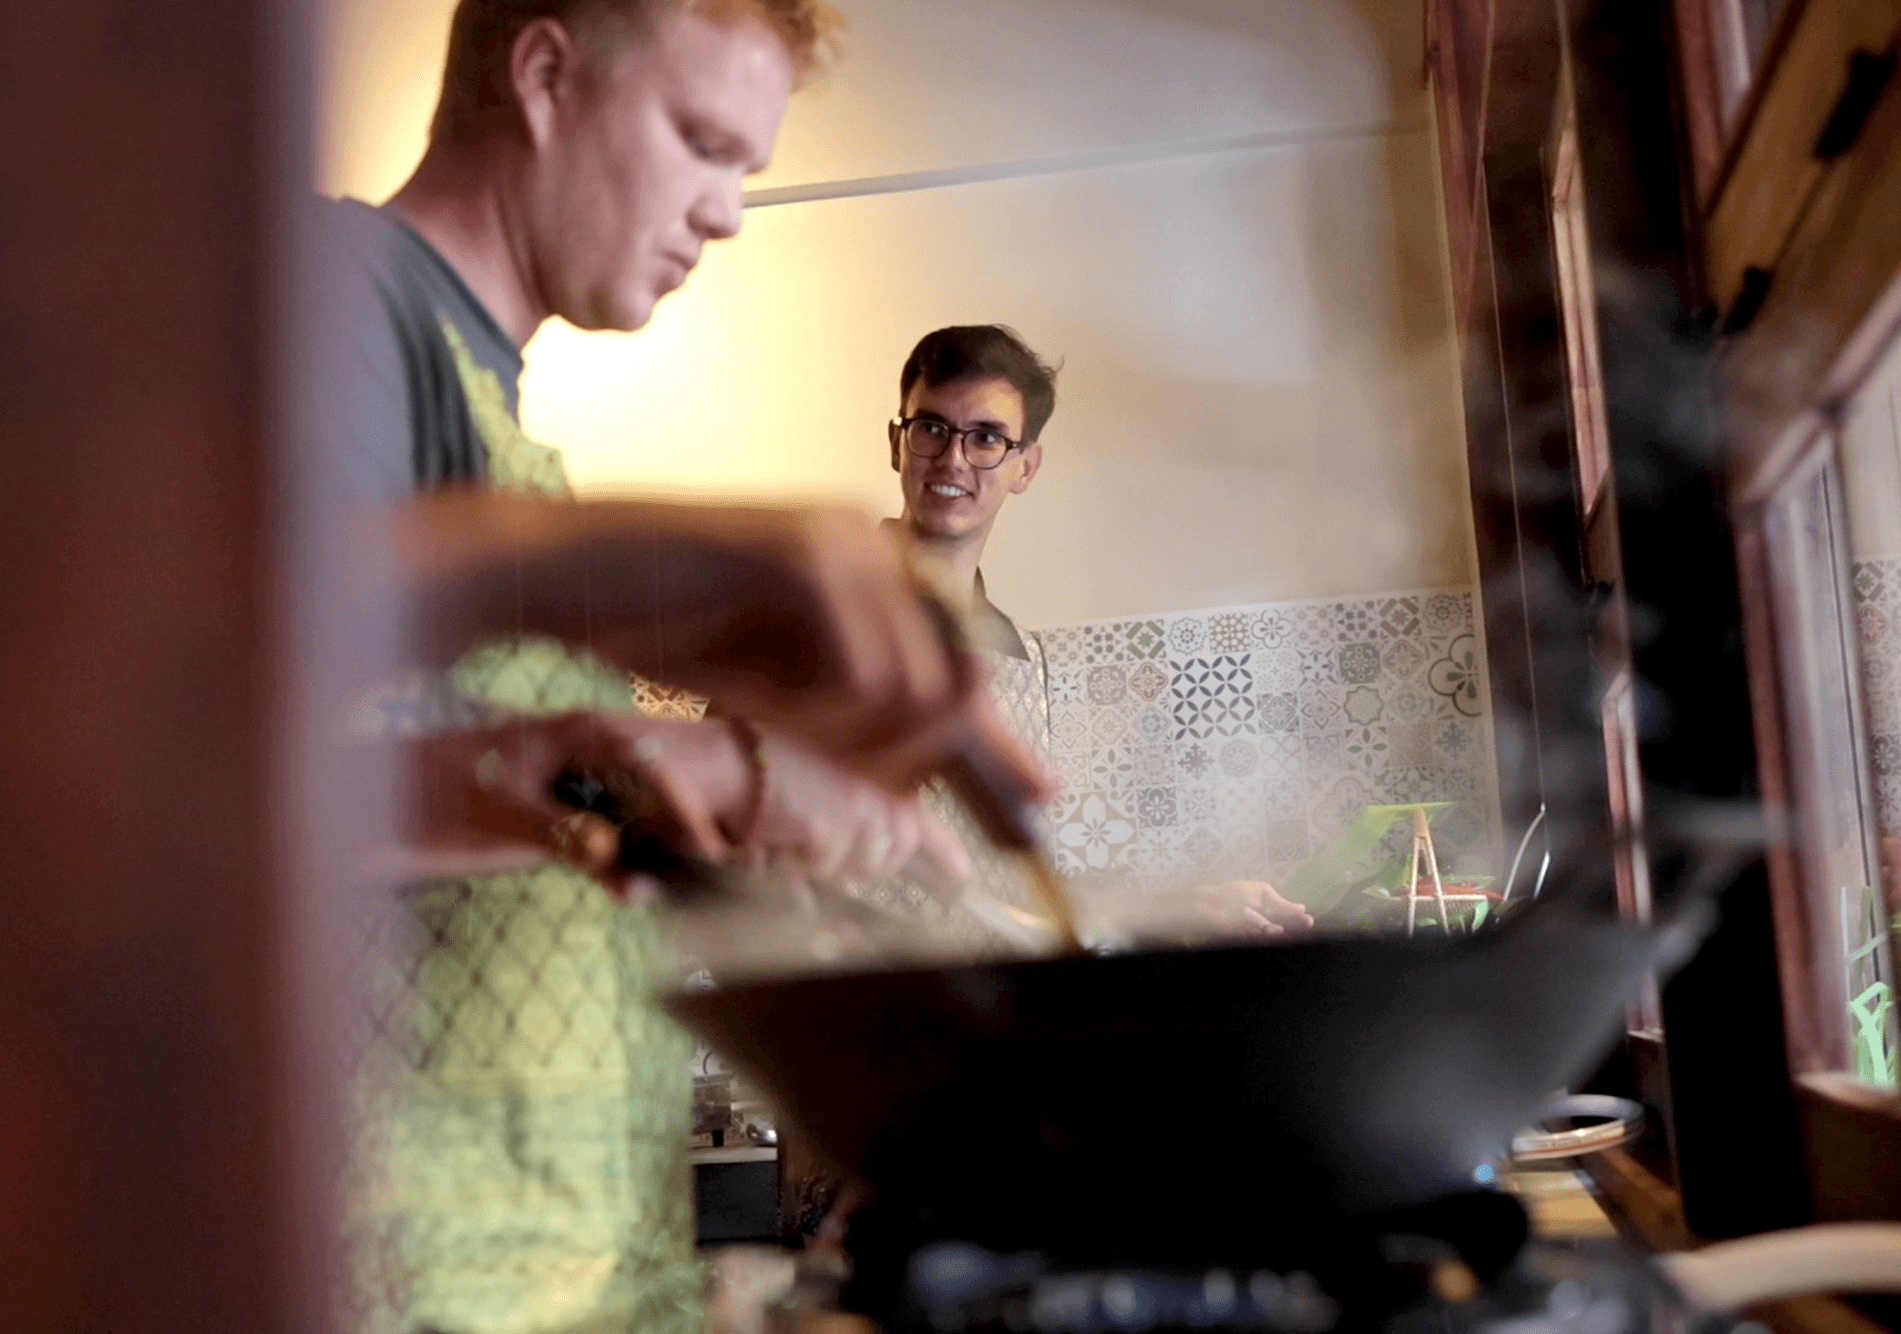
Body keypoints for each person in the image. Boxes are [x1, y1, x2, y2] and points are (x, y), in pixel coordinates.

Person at [311, 7, 1040, 1334]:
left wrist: (748, 839)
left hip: (570, 1274)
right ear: (543, 75)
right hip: (414, 1279)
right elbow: (221, 785)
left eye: (748, 169)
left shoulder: (500, 415)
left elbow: (469, 810)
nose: (727, 214)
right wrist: (723, 772)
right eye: (704, 143)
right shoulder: (343, 302)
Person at [880, 325, 1314, 940]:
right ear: (898, 443)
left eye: (985, 438)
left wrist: (1182, 908)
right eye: (931, 429)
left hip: (976, 1010)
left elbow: (1007, 888)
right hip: (833, 1012)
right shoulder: (816, 617)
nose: (952, 458)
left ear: (1025, 467)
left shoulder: (1018, 657)